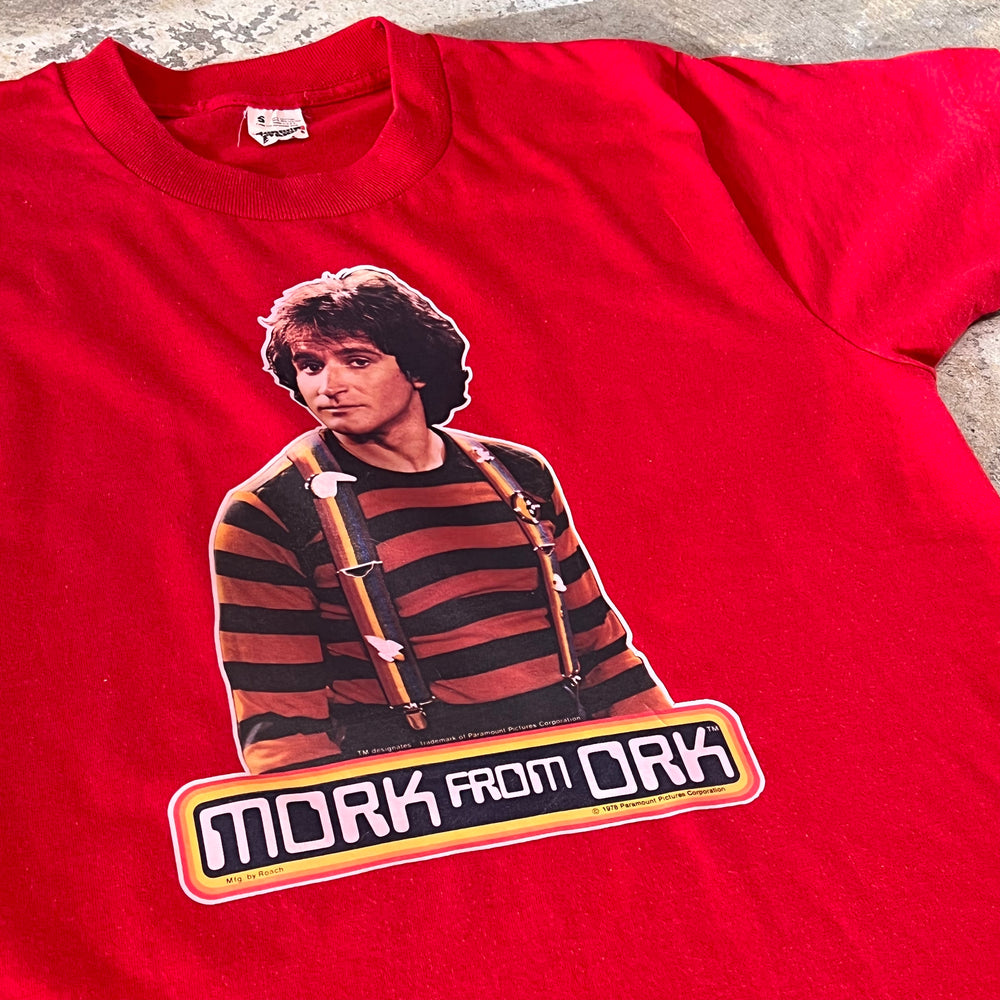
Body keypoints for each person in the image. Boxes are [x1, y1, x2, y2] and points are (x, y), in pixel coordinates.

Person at [213, 266, 671, 774]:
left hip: (565, 759)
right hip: (413, 786)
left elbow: (600, 646)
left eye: (357, 361)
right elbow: (281, 724)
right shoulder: (268, 509)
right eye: (310, 366)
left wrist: (665, 764)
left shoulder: (518, 472)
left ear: (417, 369)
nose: (329, 386)